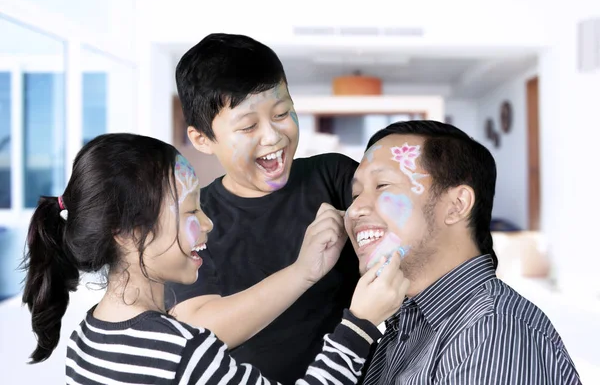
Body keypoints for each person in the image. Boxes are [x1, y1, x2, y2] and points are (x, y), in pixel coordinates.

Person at [21, 133, 409, 384]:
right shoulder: (180, 351)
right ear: (128, 233)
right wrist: (360, 324)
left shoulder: (86, 339)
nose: (207, 224)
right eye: (190, 213)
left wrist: (305, 270)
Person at [168, 33, 361, 382]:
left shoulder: (333, 176)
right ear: (202, 139)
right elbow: (199, 328)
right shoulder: (194, 218)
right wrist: (303, 272)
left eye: (282, 112)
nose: (272, 137)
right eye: (248, 126)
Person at [345, 120, 582, 384]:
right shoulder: (401, 324)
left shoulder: (491, 334)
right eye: (355, 195)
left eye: (382, 186)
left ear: (457, 205)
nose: (354, 210)